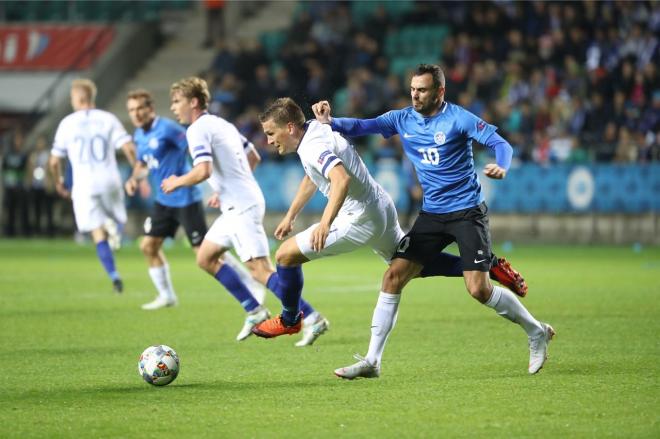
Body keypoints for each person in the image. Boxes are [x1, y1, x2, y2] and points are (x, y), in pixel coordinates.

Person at [313, 64, 554, 378]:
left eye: (422, 90)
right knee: (393, 277)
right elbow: (361, 126)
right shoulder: (402, 118)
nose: (415, 95)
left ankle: (536, 332)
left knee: (478, 290)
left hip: (468, 212)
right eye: (413, 89)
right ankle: (372, 361)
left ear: (440, 92)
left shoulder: (459, 118)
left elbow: (501, 144)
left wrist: (502, 165)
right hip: (432, 214)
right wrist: (328, 122)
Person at [251, 98, 528, 343]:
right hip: (379, 206)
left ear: (289, 128)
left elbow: (340, 179)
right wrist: (291, 215)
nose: (268, 140)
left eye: (270, 133)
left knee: (285, 256)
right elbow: (315, 176)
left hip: (357, 217)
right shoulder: (313, 128)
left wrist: (325, 223)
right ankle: (487, 266)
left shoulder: (311, 146)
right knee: (411, 266)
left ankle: (290, 319)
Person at [161, 77, 328, 346]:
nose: (173, 107)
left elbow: (203, 170)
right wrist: (226, 186)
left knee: (260, 270)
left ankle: (311, 317)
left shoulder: (196, 130)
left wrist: (175, 182)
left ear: (193, 102)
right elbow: (253, 156)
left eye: (177, 101)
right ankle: (255, 310)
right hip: (236, 202)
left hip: (240, 205)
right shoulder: (221, 124)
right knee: (205, 257)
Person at [124, 89, 265, 315]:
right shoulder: (139, 135)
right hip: (164, 199)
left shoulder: (170, 129)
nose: (136, 113)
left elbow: (194, 147)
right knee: (148, 246)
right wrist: (134, 178)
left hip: (185, 198)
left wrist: (191, 175)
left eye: (140, 108)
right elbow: (142, 164)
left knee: (205, 251)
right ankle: (166, 295)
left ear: (150, 108)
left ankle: (249, 281)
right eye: (131, 110)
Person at [49, 79, 136, 293]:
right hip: (110, 180)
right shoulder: (108, 119)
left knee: (96, 233)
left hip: (84, 186)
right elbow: (128, 147)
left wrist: (59, 181)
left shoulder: (67, 123)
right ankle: (116, 228)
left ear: (78, 98)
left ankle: (114, 275)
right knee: (116, 221)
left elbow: (54, 161)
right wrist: (137, 172)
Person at [26, 135, 56, 237]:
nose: (40, 144)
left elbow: (51, 169)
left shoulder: (47, 155)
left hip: (45, 186)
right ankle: (37, 231)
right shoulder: (33, 155)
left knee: (48, 210)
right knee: (36, 210)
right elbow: (29, 169)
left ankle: (50, 231)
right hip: (36, 186)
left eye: (41, 142)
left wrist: (51, 183)